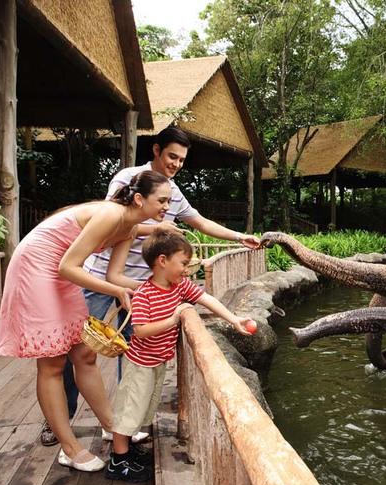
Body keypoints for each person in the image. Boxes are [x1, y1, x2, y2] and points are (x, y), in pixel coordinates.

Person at [41, 126, 262, 446]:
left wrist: (241, 237)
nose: (177, 164)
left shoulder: (173, 192)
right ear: (156, 151)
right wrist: (156, 227)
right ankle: (59, 417)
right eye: (172, 156)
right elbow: (113, 221)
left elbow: (200, 222)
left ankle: (124, 424)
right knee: (76, 350)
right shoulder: (129, 179)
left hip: (140, 285)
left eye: (182, 160)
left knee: (133, 355)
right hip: (101, 277)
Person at [0, 170, 172, 471]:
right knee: (52, 362)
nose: (167, 208)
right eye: (162, 201)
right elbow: (68, 266)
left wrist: (154, 289)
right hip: (37, 266)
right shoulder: (110, 214)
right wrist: (117, 290)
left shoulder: (129, 227)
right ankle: (69, 448)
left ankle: (111, 425)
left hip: (62, 270)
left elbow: (114, 275)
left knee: (84, 353)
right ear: (140, 199)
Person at [104, 228, 254, 482]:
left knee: (143, 409)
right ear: (162, 261)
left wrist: (234, 319)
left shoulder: (179, 285)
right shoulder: (144, 294)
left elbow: (206, 298)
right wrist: (174, 318)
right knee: (129, 409)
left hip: (157, 362)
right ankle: (118, 461)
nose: (187, 270)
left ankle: (126, 451)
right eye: (183, 263)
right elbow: (140, 331)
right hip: (140, 364)